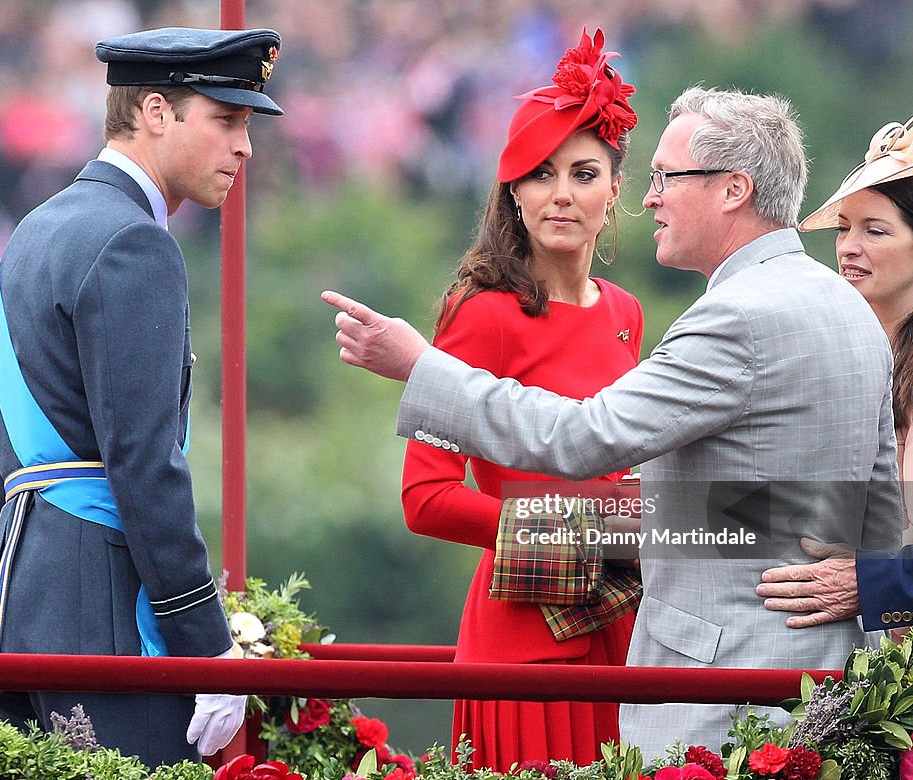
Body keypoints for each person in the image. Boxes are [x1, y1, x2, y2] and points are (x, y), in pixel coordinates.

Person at [322, 86, 903, 758]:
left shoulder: (727, 317)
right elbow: (868, 503)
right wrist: (876, 597)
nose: (650, 197)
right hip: (828, 690)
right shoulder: (852, 307)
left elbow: (579, 438)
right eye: (541, 173)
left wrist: (418, 368)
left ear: (733, 189)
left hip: (723, 695)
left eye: (663, 177)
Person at [0, 26, 284, 767]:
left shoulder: (32, 233)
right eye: (227, 120)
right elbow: (144, 463)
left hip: (16, 604)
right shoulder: (135, 241)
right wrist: (206, 648)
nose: (245, 147)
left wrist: (27, 585)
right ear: (157, 113)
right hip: (108, 619)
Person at [400, 29, 642, 769]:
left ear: (615, 189)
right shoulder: (482, 313)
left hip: (626, 630)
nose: (561, 193)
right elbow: (426, 498)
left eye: (583, 172)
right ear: (512, 190)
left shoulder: (626, 313)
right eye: (539, 175)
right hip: (526, 641)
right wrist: (575, 537)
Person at [758, 116, 913, 633]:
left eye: (875, 230)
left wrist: (876, 584)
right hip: (836, 652)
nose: (847, 246)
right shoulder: (824, 349)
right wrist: (670, 523)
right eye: (844, 227)